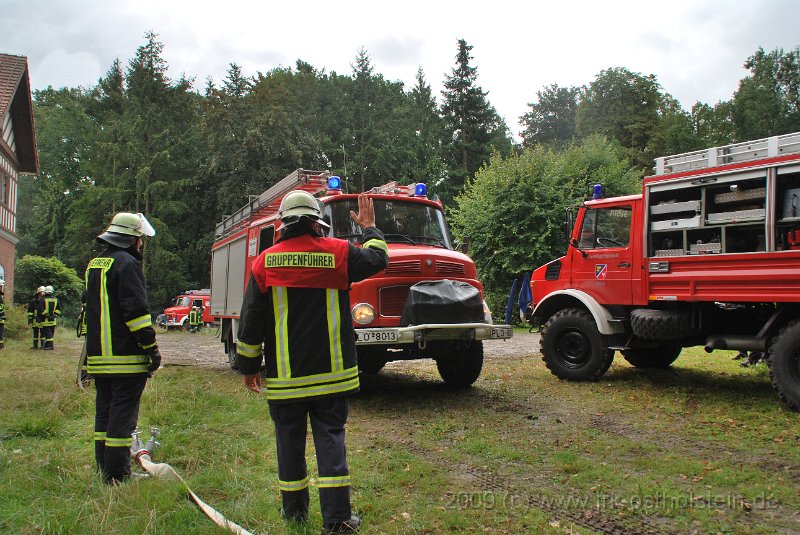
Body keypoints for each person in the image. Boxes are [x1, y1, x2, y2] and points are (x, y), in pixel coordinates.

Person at [236, 191, 388, 533]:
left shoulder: (265, 262)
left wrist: (248, 368)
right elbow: (378, 259)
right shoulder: (339, 253)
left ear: (283, 225)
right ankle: (337, 519)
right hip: (332, 377)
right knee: (331, 440)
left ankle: (294, 515)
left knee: (288, 444)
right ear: (317, 223)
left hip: (286, 380)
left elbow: (250, 322)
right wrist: (369, 228)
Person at [85, 212, 160, 484]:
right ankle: (117, 475)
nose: (141, 244)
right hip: (126, 359)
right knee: (122, 417)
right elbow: (136, 312)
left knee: (104, 414)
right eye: (140, 239)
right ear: (131, 239)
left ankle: (104, 467)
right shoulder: (127, 264)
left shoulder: (95, 264)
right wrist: (151, 348)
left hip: (99, 359)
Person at [39, 285, 61, 350]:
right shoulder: (56, 299)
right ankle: (47, 345)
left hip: (45, 320)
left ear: (45, 292)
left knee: (48, 333)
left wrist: (47, 315)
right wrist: (55, 315)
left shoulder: (42, 299)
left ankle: (50, 346)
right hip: (53, 320)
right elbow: (59, 309)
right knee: (51, 333)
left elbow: (41, 308)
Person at [0, 280, 5, 350]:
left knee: (1, 332)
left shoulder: (0, 296)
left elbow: (1, 308)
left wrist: (3, 315)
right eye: (0, 287)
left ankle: (1, 345)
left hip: (1, 318)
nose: (1, 288)